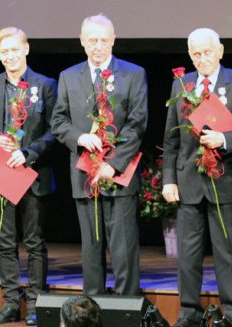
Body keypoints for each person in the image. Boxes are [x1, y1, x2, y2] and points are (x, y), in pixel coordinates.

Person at [161, 28, 232, 326]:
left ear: (220, 50)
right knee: (187, 255)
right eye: (196, 54)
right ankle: (188, 313)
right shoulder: (181, 85)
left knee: (229, 251)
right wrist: (169, 179)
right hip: (189, 181)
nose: (202, 59)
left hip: (225, 179)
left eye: (207, 52)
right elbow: (171, 140)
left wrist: (224, 139)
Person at [51, 14, 147, 296]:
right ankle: (91, 306)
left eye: (104, 40)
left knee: (124, 247)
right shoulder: (68, 77)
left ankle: (126, 305)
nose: (98, 46)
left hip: (119, 174)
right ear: (82, 41)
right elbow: (58, 122)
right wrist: (80, 138)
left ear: (113, 40)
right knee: (91, 247)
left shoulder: (133, 73)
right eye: (92, 40)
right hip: (84, 174)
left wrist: (113, 165)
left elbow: (137, 122)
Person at [0, 27, 56, 325]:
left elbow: (53, 130)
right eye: (3, 51)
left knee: (34, 241)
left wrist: (29, 151)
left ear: (26, 49)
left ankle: (35, 303)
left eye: (14, 49)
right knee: (4, 242)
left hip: (32, 171)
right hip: (0, 171)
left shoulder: (45, 85)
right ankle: (10, 302)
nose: (10, 56)